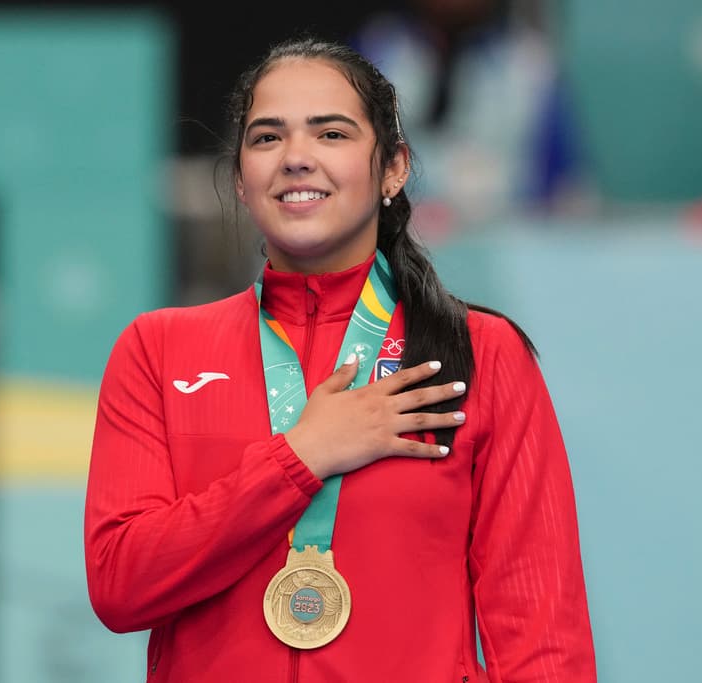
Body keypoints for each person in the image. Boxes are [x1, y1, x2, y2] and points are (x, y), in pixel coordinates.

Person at [84, 36, 596, 682]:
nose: (297, 158)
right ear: (241, 180)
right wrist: (300, 457)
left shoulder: (479, 355)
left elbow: (543, 639)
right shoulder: (157, 350)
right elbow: (121, 583)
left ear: (393, 168)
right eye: (267, 138)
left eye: (331, 134)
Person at [350, 0, 585, 236]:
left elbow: (562, 191)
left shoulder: (532, 67)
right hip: (394, 247)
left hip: (506, 247)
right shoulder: (374, 51)